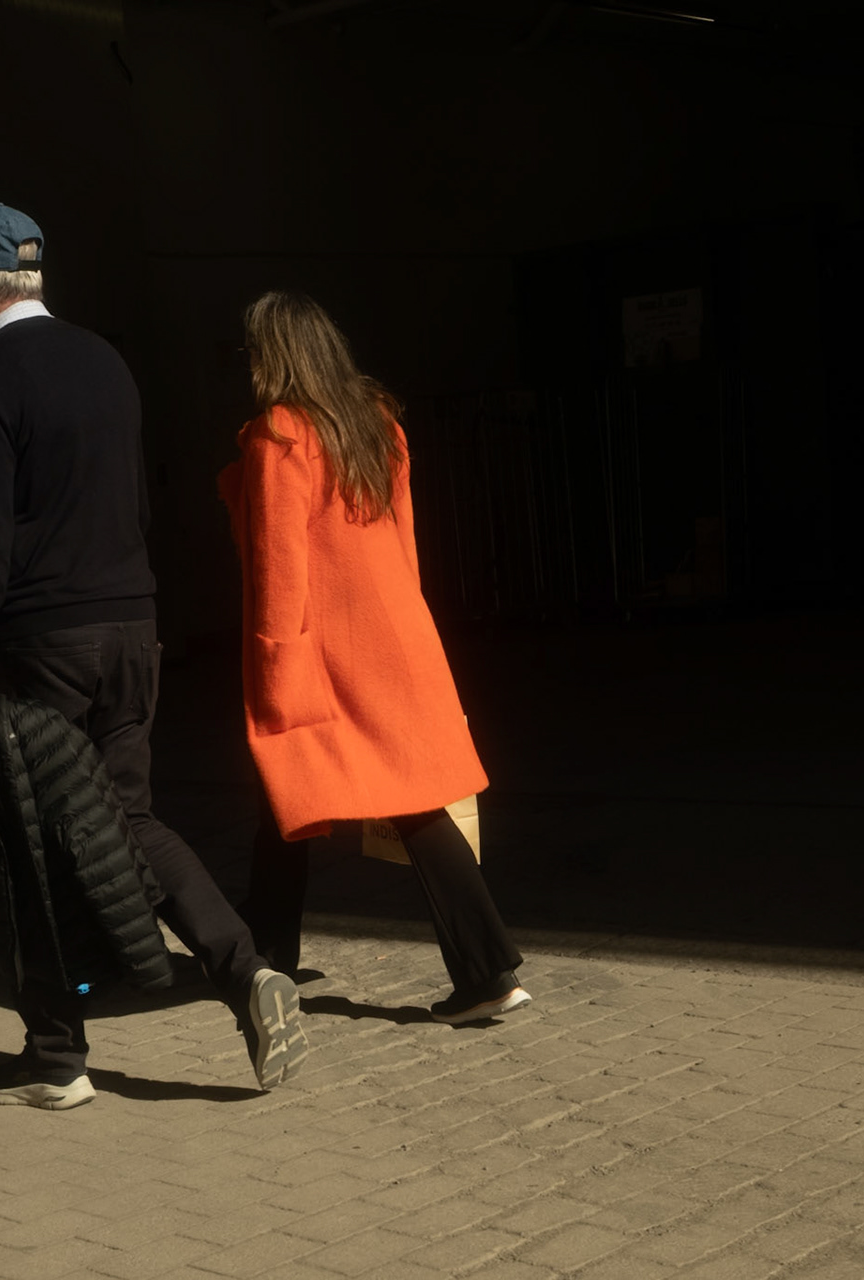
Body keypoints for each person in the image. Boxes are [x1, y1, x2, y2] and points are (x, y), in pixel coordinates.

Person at [0, 204, 309, 1109]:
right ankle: (245, 968)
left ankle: (55, 1057)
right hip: (130, 626)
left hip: (40, 642)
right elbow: (136, 504)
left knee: (26, 844)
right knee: (129, 820)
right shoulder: (105, 362)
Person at [219, 290, 531, 1025]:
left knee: (291, 790)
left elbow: (278, 569)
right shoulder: (378, 424)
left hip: (323, 650)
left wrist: (273, 663)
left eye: (252, 348)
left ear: (273, 355)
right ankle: (480, 968)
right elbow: (404, 542)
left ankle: (269, 961)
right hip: (393, 636)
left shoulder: (280, 436)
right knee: (400, 799)